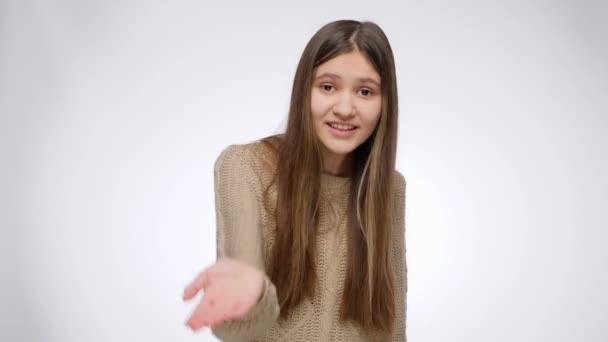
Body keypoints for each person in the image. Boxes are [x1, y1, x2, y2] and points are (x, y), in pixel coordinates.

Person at [182, 19, 407, 341]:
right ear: (304, 90)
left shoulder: (389, 187)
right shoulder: (245, 167)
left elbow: (390, 325)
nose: (345, 108)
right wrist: (252, 291)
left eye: (365, 91)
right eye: (327, 87)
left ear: (385, 104)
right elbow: (236, 332)